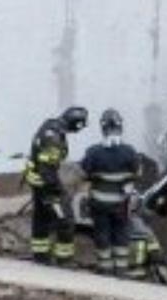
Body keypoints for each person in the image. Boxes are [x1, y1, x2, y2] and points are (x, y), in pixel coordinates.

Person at [22, 106, 88, 266]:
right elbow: (47, 169)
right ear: (76, 124)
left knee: (41, 219)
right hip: (46, 185)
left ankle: (40, 256)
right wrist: (57, 191)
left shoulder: (50, 126)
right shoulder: (55, 138)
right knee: (66, 219)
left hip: (37, 182)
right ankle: (64, 260)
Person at [81, 109, 141, 276]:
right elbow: (138, 173)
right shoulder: (130, 151)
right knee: (121, 234)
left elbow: (83, 172)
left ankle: (105, 269)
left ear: (103, 128)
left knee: (102, 234)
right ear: (121, 127)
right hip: (122, 204)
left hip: (99, 203)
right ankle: (121, 269)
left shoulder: (93, 152)